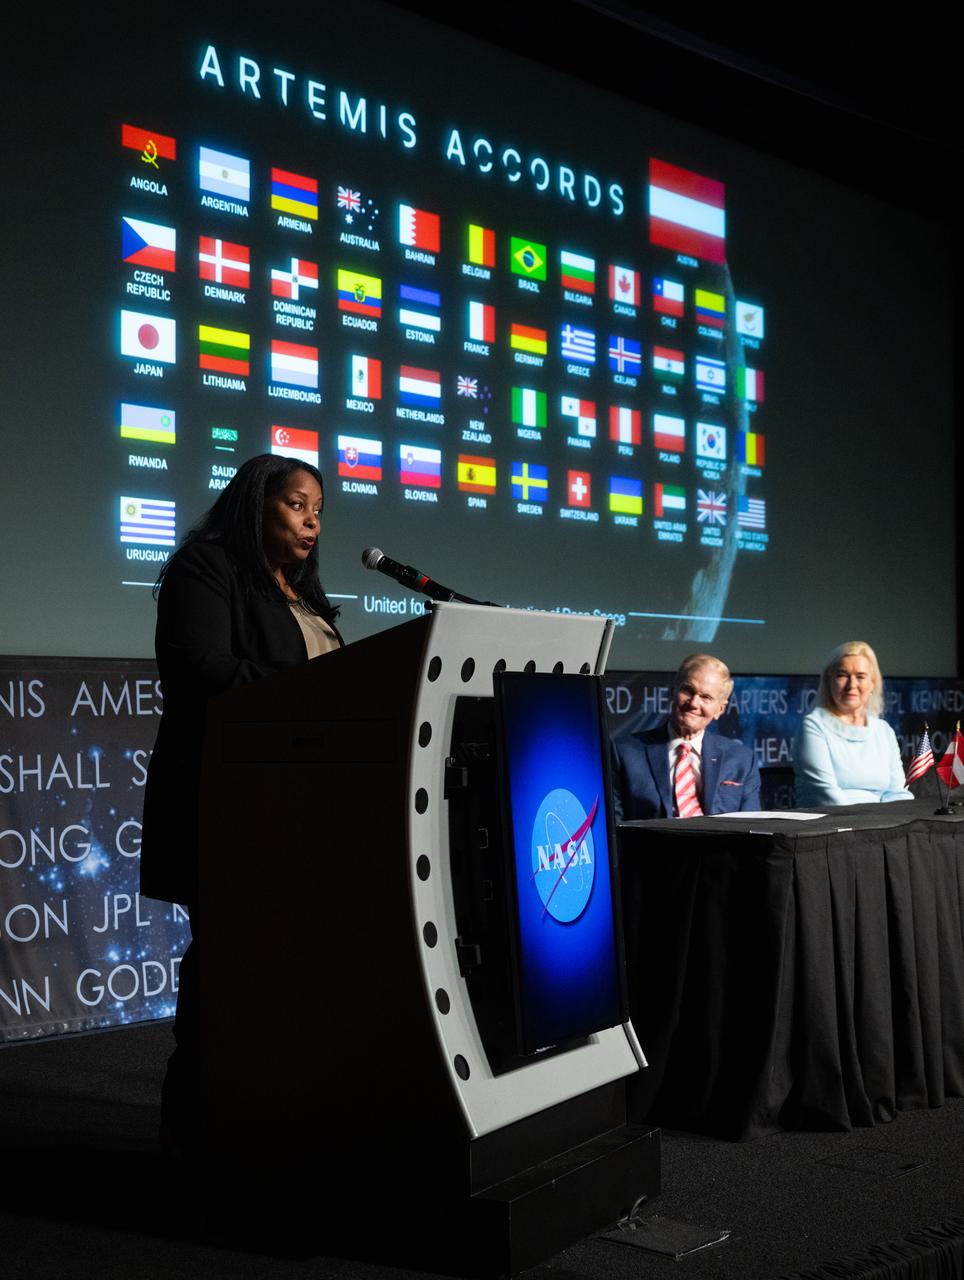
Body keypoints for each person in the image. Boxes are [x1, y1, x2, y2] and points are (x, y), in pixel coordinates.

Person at [140, 454, 343, 1153]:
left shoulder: (306, 595)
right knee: (231, 963)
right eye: (296, 503)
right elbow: (199, 668)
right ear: (256, 504)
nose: (313, 518)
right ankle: (195, 1126)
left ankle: (280, 1120)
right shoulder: (208, 568)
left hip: (307, 813)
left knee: (297, 970)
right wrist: (313, 692)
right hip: (232, 806)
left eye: (318, 505)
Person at [611, 653, 760, 820]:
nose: (694, 703)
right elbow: (614, 826)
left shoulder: (743, 760)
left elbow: (751, 826)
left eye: (706, 697)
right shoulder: (624, 752)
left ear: (720, 709)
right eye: (687, 691)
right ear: (673, 692)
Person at [793, 641, 912, 806]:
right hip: (828, 824)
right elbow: (825, 794)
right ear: (829, 681)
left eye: (860, 676)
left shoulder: (883, 731)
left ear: (873, 683)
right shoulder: (813, 726)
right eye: (842, 675)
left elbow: (897, 792)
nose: (851, 685)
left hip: (881, 824)